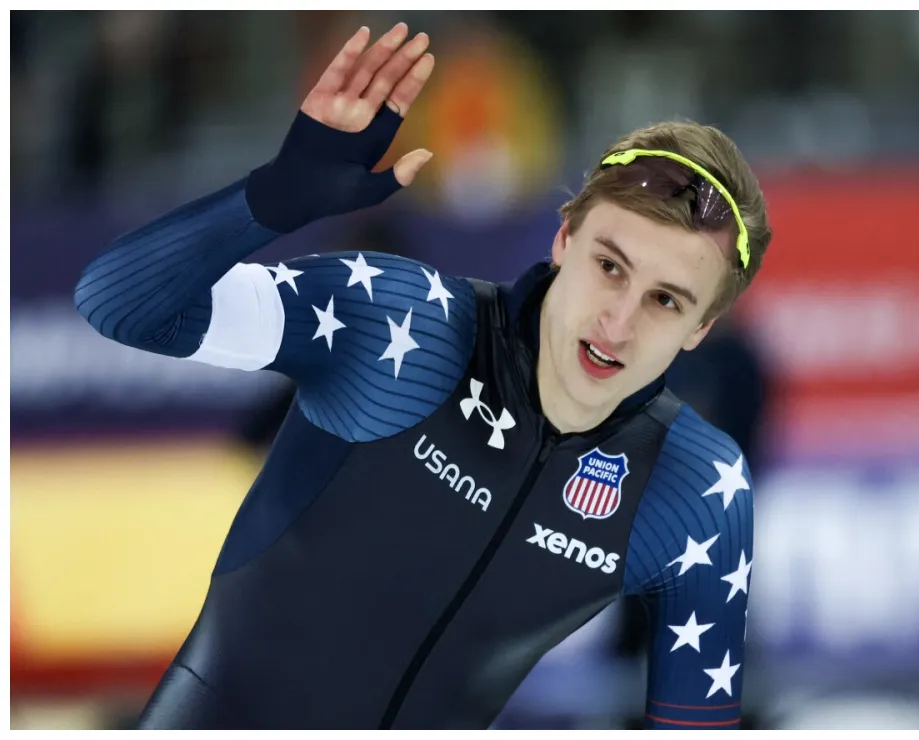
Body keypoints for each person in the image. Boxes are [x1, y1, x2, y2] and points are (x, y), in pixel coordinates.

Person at [73, 22, 772, 730]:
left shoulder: (694, 492)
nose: (617, 323)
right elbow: (118, 306)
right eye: (609, 266)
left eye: (665, 300)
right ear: (564, 240)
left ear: (700, 329)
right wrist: (272, 199)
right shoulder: (400, 326)